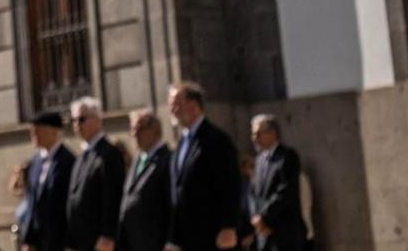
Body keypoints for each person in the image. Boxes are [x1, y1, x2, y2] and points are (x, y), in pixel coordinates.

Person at [164, 82, 240, 251]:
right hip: (187, 237)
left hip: (212, 235)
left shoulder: (216, 140)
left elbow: (231, 184)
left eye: (176, 104)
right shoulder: (182, 142)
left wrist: (229, 226)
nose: (172, 110)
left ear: (194, 106)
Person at [65, 97, 125, 251]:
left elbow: (113, 196)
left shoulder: (109, 153)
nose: (77, 124)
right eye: (74, 120)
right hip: (81, 241)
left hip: (100, 242)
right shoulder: (81, 156)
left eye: (82, 119)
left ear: (98, 119)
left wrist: (108, 235)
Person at [106, 109, 170, 251]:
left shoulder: (167, 161)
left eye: (138, 129)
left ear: (154, 131)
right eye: (132, 129)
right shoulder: (137, 160)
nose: (133, 134)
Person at [17, 110, 74, 251]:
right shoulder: (36, 162)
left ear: (54, 132)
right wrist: (28, 240)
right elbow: (32, 202)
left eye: (38, 130)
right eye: (32, 131)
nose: (33, 135)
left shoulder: (68, 161)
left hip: (59, 240)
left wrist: (71, 243)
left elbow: (71, 206)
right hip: (38, 242)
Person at [243, 117, 304, 251]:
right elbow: (253, 193)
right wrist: (256, 218)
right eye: (253, 134)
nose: (254, 138)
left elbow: (285, 192)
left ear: (273, 133)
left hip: (283, 234)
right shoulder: (259, 161)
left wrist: (264, 217)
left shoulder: (287, 156)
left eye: (259, 133)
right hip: (263, 235)